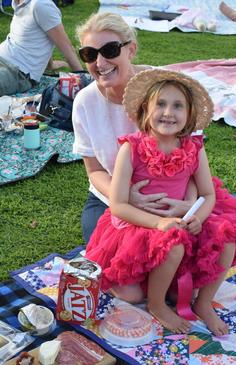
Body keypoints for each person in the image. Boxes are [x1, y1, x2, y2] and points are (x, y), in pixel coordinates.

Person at [84, 69, 236, 336]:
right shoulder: (131, 148)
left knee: (228, 237)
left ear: (189, 115)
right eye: (161, 104)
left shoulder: (194, 148)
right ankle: (156, 303)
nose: (168, 112)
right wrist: (160, 222)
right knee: (135, 289)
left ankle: (202, 303)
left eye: (178, 106)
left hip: (182, 217)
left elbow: (208, 194)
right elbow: (118, 204)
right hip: (139, 224)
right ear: (146, 110)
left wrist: (197, 217)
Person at [72, 12, 196, 244]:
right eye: (89, 54)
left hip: (172, 194)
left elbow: (191, 158)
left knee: (185, 255)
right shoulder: (85, 102)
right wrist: (126, 197)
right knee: (108, 260)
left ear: (131, 49)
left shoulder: (168, 91)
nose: (99, 63)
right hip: (110, 198)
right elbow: (95, 170)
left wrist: (189, 203)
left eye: (110, 50)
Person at [0, 0, 84, 98]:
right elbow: (41, 37)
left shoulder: (40, 5)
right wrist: (50, 64)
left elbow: (65, 45)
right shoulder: (18, 3)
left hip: (15, 73)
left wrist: (83, 80)